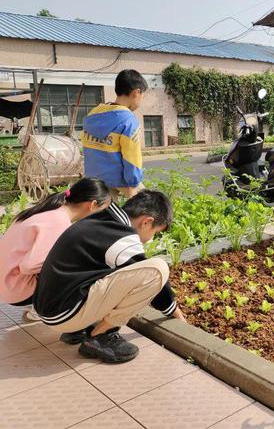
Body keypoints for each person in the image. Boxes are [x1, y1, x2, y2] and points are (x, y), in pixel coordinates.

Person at [33, 190, 186, 363]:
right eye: (156, 232)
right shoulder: (122, 236)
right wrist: (177, 314)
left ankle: (80, 329)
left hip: (51, 307)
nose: (152, 238)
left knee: (117, 271)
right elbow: (156, 282)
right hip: (65, 313)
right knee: (157, 269)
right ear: (147, 222)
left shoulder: (102, 219)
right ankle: (100, 336)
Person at [0, 178, 110, 318]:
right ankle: (44, 310)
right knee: (79, 270)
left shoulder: (47, 210)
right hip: (14, 290)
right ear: (93, 205)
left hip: (5, 282)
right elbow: (28, 266)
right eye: (102, 210)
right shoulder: (58, 222)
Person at [82, 69, 146, 202]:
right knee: (147, 207)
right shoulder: (128, 121)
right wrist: (132, 185)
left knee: (105, 217)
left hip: (94, 181)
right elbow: (132, 158)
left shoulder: (93, 114)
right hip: (119, 180)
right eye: (142, 96)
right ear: (136, 92)